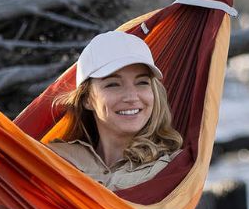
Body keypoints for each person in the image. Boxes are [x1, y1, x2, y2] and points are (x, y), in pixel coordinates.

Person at [49, 31, 183, 190]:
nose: (132, 97)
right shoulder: (54, 161)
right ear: (87, 99)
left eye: (142, 82)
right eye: (113, 84)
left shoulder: (174, 169)